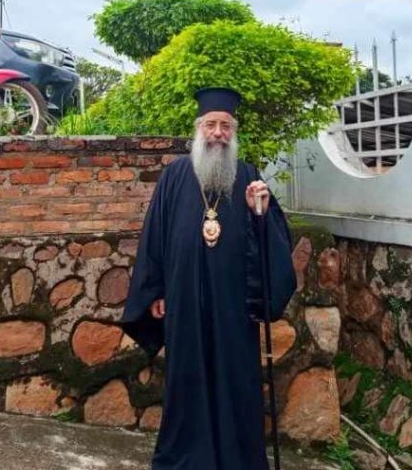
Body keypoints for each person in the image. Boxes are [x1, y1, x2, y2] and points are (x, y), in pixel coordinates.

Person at [122, 86, 296, 470]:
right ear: (199, 129)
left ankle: (237, 459)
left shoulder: (249, 177)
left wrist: (259, 213)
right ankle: (188, 458)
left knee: (236, 379)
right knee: (187, 378)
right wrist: (157, 290)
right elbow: (155, 235)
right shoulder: (174, 176)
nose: (218, 133)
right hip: (183, 299)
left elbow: (273, 240)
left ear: (234, 132)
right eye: (212, 125)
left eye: (226, 126)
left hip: (233, 304)